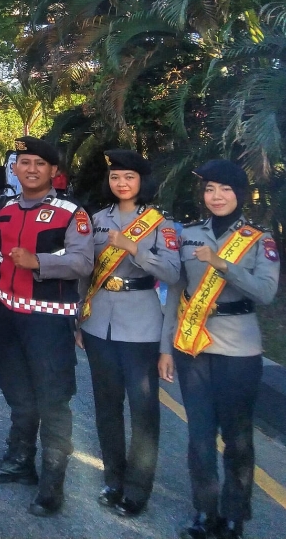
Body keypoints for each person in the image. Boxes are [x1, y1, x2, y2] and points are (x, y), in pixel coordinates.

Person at [158, 160, 279, 539]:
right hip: (192, 346)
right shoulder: (190, 233)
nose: (216, 196)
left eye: (225, 189)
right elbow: (176, 291)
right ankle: (205, 513)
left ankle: (234, 517)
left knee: (238, 439)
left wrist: (222, 264)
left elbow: (266, 292)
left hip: (238, 350)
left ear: (239, 194)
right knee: (199, 437)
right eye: (210, 189)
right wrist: (165, 348)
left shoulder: (260, 239)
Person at [0, 136, 94, 516]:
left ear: (53, 171)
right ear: (15, 168)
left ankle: (52, 482)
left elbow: (82, 262)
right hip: (9, 317)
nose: (31, 169)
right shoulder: (2, 208)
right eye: (24, 162)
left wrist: (39, 262)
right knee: (18, 395)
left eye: (39, 164)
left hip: (49, 319)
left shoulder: (71, 212)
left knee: (53, 401)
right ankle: (19, 462)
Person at [77, 150, 181, 517]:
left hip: (142, 324)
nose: (121, 184)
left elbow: (171, 274)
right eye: (116, 177)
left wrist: (135, 248)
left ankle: (137, 490)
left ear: (142, 182)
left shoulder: (160, 224)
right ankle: (114, 479)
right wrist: (79, 318)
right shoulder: (96, 219)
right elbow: (84, 271)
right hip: (97, 322)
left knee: (143, 411)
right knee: (107, 406)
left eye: (129, 177)